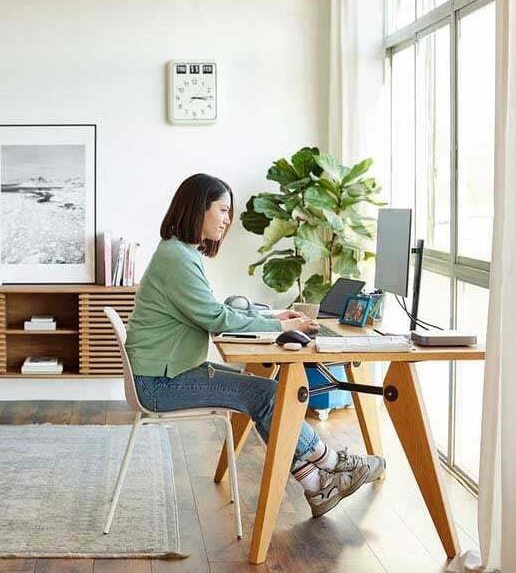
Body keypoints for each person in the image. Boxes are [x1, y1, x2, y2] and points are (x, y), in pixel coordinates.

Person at [125, 173, 385, 517]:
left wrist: (276, 320)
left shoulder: (179, 253)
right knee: (267, 395)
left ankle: (317, 486)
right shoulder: (177, 258)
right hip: (159, 384)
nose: (228, 220)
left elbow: (213, 310)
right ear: (198, 208)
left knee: (265, 394)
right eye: (222, 210)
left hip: (166, 373)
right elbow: (216, 318)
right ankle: (332, 461)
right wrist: (280, 326)